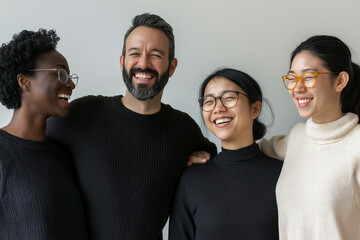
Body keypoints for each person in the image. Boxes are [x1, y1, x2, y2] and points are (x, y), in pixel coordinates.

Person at [46, 13, 217, 240]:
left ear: (172, 66)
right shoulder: (82, 113)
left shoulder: (183, 129)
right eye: (135, 53)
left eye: (155, 55)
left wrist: (203, 159)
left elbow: (212, 160)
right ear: (122, 62)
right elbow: (27, 145)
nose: (143, 63)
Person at [260, 35, 360, 239]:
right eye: (291, 78)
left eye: (308, 77)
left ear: (340, 81)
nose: (297, 88)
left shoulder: (356, 145)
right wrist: (199, 153)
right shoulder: (297, 137)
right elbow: (248, 154)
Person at [169, 68, 282, 239]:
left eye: (229, 98)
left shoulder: (283, 174)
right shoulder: (191, 179)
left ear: (255, 109)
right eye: (208, 101)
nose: (218, 108)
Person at [0, 29, 87, 239]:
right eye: (61, 74)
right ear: (24, 82)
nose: (71, 84)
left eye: (70, 76)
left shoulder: (63, 156)